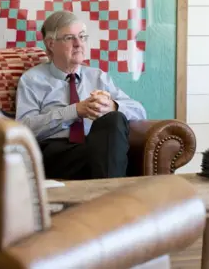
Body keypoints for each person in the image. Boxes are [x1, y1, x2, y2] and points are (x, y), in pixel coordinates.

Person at [15, 10, 147, 180]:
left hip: (95, 147)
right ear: (50, 44)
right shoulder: (32, 80)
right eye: (69, 38)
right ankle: (114, 197)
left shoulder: (98, 76)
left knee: (113, 120)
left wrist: (112, 106)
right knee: (109, 157)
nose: (78, 43)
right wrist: (75, 111)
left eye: (82, 36)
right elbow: (24, 129)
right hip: (56, 152)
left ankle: (107, 192)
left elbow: (140, 111)